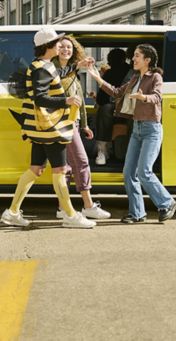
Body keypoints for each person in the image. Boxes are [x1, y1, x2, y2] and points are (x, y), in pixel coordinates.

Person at [1, 26, 96, 229]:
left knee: (36, 169)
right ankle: (70, 215)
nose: (60, 45)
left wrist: (77, 64)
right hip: (50, 128)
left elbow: (58, 72)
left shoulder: (42, 65)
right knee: (60, 170)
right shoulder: (42, 69)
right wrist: (66, 100)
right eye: (57, 43)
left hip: (39, 128)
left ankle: (12, 212)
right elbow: (39, 97)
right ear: (49, 46)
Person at [87, 44, 176, 224]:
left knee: (144, 171)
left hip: (151, 129)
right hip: (137, 128)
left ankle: (168, 203)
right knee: (129, 172)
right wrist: (98, 79)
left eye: (137, 56)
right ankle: (137, 213)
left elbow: (157, 97)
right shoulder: (134, 77)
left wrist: (143, 98)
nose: (133, 59)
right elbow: (116, 92)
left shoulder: (155, 77)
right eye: (133, 56)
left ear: (147, 60)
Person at [53, 36, 111, 220]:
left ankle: (63, 208)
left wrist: (84, 124)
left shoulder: (72, 73)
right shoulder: (52, 68)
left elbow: (79, 101)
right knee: (82, 162)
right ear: (54, 49)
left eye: (69, 47)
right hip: (62, 123)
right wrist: (77, 65)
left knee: (68, 167)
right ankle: (88, 205)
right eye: (61, 46)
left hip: (73, 122)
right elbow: (53, 82)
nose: (65, 50)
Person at [90, 49, 133, 165]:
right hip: (126, 109)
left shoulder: (112, 73)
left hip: (123, 109)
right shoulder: (130, 70)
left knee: (104, 110)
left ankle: (102, 150)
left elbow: (101, 99)